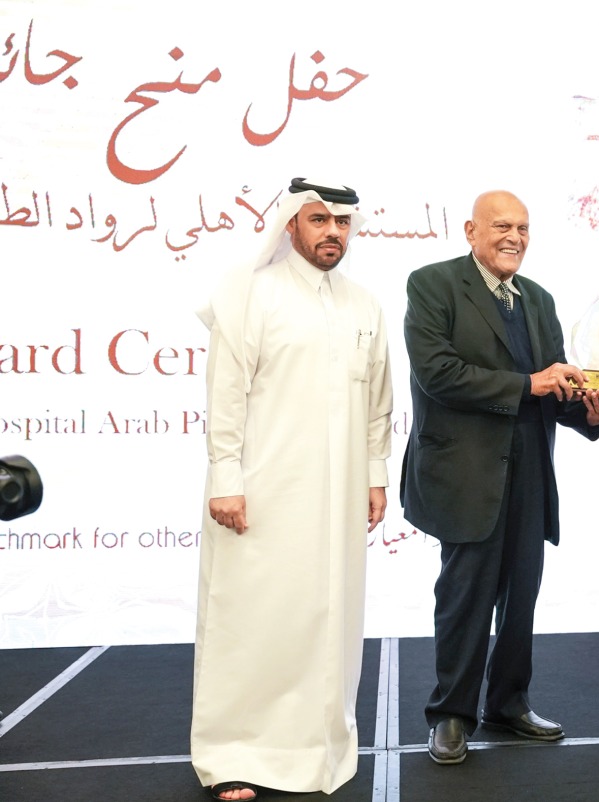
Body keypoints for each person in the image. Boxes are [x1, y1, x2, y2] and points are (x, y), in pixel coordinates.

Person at [400, 190, 599, 765]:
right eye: (501, 226)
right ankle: (450, 713)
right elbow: (437, 374)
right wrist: (530, 386)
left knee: (522, 596)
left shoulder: (539, 300)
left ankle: (508, 702)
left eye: (522, 228)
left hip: (528, 474)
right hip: (465, 473)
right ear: (471, 230)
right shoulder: (433, 284)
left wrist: (588, 413)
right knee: (465, 598)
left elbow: (554, 383)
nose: (513, 237)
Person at [192, 178, 393, 801]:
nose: (332, 231)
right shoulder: (250, 295)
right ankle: (233, 756)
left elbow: (378, 404)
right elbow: (225, 395)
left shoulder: (364, 304)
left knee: (328, 619)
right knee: (252, 620)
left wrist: (374, 475)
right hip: (262, 493)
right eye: (318, 220)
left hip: (336, 503)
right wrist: (226, 478)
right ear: (291, 226)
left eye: (341, 222)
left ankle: (320, 748)